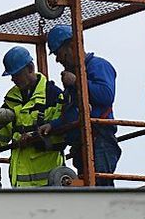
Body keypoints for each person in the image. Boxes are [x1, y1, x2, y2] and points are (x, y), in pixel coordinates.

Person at [44, 24, 120, 186]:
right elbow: (73, 112)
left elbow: (106, 95)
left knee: (99, 188)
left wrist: (77, 82)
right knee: (89, 190)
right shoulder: (75, 75)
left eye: (59, 53)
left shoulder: (98, 66)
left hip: (99, 140)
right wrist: (53, 125)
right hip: (82, 143)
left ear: (72, 46)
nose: (58, 59)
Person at [0, 45, 66, 187]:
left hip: (48, 182)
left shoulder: (53, 96)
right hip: (21, 186)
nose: (13, 79)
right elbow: (0, 137)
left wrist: (33, 137)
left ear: (30, 68)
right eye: (12, 75)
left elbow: (62, 135)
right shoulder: (12, 99)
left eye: (16, 74)